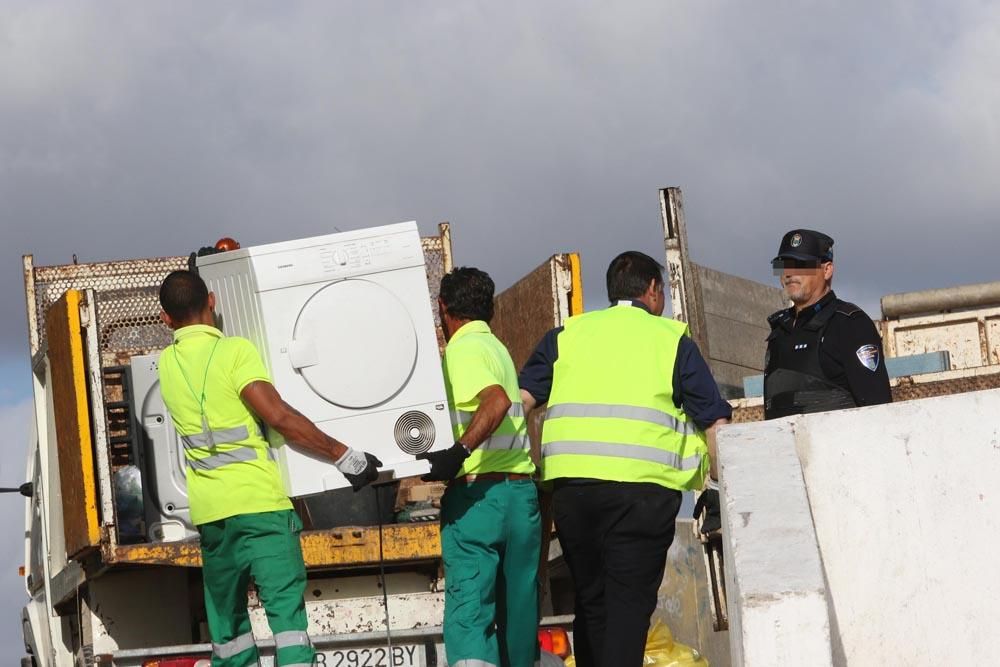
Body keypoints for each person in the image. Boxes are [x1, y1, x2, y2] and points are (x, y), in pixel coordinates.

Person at [156, 270, 381, 667]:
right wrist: (346, 456)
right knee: (287, 622)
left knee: (228, 633)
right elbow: (279, 417)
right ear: (212, 301)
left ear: (164, 318)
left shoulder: (166, 364)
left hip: (212, 516)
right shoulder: (235, 351)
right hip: (260, 506)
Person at [518, 251, 731, 667]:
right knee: (627, 610)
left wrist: (525, 471)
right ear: (652, 291)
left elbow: (521, 402)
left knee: (593, 602)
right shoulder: (671, 340)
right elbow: (714, 423)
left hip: (574, 494)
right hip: (642, 494)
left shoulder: (567, 336)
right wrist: (720, 485)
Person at [416, 267, 540, 667]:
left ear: (443, 308)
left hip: (478, 501)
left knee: (470, 617)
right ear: (492, 308)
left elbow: (496, 401)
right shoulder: (497, 348)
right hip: (520, 498)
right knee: (518, 618)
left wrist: (459, 450)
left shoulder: (463, 350)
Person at [764, 229, 892, 419]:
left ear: (827, 270)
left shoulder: (849, 324)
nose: (790, 273)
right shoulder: (779, 330)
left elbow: (877, 406)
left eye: (800, 265)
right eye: (784, 266)